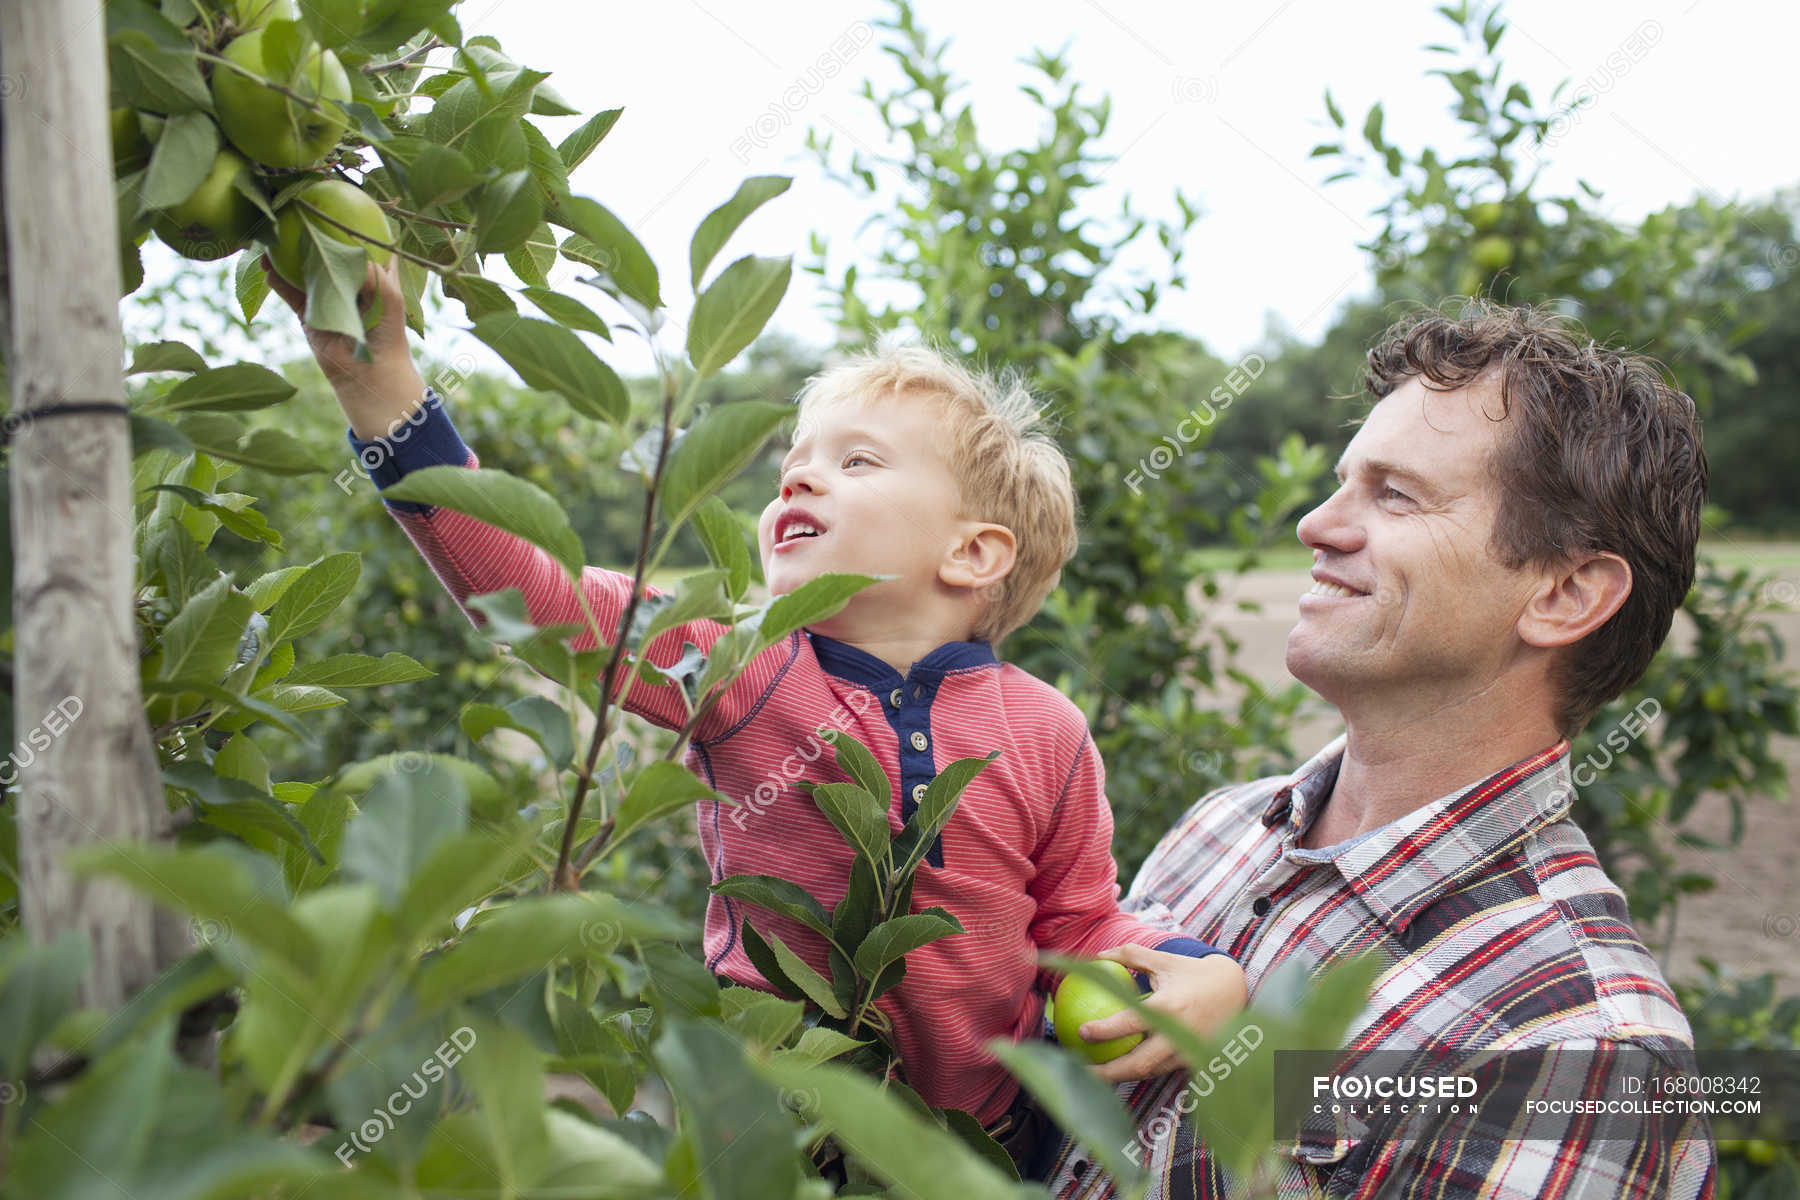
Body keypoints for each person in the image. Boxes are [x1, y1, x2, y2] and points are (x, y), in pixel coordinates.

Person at [266, 256, 1248, 1176]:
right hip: (777, 1144)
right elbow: (538, 592)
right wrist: (380, 385)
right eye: (792, 461)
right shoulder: (740, 662)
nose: (798, 478)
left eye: (857, 462)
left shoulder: (1047, 731)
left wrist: (1208, 976)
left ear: (974, 554)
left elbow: (1077, 924)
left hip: (987, 1156)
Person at [1042, 300, 1717, 1198]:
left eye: (1394, 494)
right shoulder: (1224, 828)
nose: (1315, 525)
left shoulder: (1573, 1051)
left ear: (1563, 594)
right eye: (1341, 481)